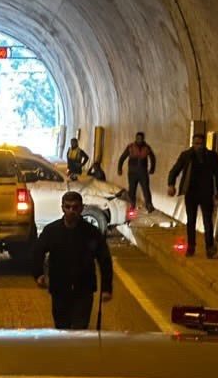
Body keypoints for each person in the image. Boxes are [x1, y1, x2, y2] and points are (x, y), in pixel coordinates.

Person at [33, 191, 113, 330]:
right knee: (61, 329)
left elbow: (104, 260)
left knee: (80, 330)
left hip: (84, 289)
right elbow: (37, 252)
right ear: (62, 208)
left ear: (81, 208)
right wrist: (38, 274)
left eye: (75, 207)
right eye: (68, 207)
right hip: (59, 289)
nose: (71, 211)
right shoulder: (52, 231)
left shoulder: (91, 233)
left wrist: (106, 288)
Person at [167, 134, 218, 258]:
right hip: (191, 192)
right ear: (193, 143)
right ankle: (191, 247)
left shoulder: (211, 156)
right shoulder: (186, 155)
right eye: (196, 143)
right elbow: (175, 170)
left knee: (208, 221)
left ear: (204, 144)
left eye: (200, 143)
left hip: (206, 192)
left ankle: (209, 247)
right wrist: (171, 184)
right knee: (191, 220)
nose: (198, 146)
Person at [117, 132, 156, 212]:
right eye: (138, 138)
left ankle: (149, 205)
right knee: (132, 190)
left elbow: (153, 158)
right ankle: (132, 206)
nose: (139, 140)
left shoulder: (147, 148)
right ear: (135, 138)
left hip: (143, 173)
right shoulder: (131, 147)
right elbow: (122, 157)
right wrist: (119, 168)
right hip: (132, 173)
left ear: (143, 139)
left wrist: (152, 168)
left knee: (146, 189)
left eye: (141, 138)